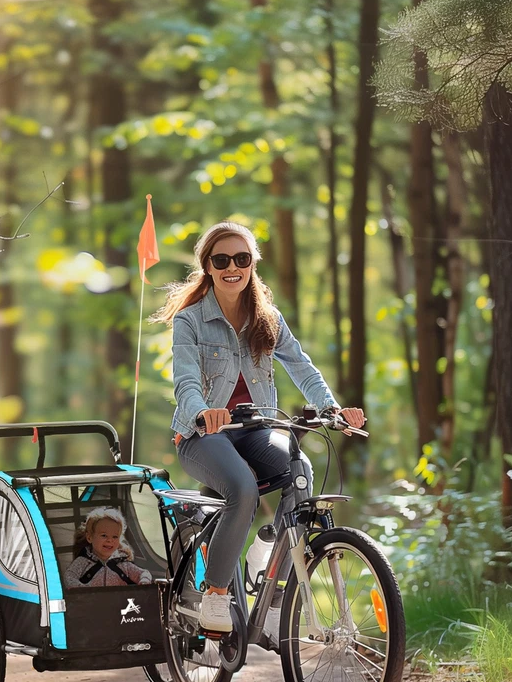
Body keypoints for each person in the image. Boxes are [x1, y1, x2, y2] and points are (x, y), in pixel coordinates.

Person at [151, 221, 366, 633]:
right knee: (243, 488)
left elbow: (302, 368)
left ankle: (272, 582)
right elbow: (186, 380)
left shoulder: (268, 318)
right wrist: (202, 412)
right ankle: (216, 595)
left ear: (252, 264)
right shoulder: (191, 321)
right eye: (222, 260)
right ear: (208, 267)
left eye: (242, 259)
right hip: (204, 436)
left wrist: (332, 409)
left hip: (255, 429)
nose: (233, 267)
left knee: (300, 473)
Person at [63, 506, 153, 589]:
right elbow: (69, 577)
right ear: (90, 537)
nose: (110, 540)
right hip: (91, 604)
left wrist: (144, 581)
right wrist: (83, 591)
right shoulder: (83, 562)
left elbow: (143, 573)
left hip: (120, 605)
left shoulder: (123, 564)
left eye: (115, 537)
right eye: (104, 535)